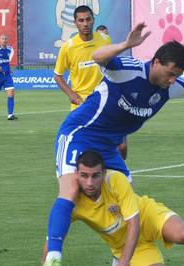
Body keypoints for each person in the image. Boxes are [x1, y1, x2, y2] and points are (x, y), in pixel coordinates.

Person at [44, 22, 184, 264]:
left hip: (109, 147)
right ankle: (54, 256)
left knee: (123, 204)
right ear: (156, 62)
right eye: (170, 73)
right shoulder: (128, 71)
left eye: (177, 76)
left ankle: (124, 257)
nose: (173, 80)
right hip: (80, 133)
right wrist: (125, 45)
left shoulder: (170, 88)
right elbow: (97, 56)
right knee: (71, 191)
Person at [43, 150, 184, 266]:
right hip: (130, 246)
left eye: (95, 175)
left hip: (146, 216)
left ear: (103, 173)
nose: (90, 182)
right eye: (84, 176)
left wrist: (124, 264)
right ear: (77, 174)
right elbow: (53, 236)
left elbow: (134, 221)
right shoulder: (71, 203)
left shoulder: (115, 180)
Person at [54, 6, 128, 158]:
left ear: (93, 20)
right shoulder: (68, 47)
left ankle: (115, 176)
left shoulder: (104, 40)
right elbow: (58, 75)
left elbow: (112, 65)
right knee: (86, 152)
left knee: (121, 147)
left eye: (88, 19)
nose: (85, 23)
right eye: (81, 20)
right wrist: (71, 95)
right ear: (75, 23)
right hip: (82, 105)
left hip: (106, 100)